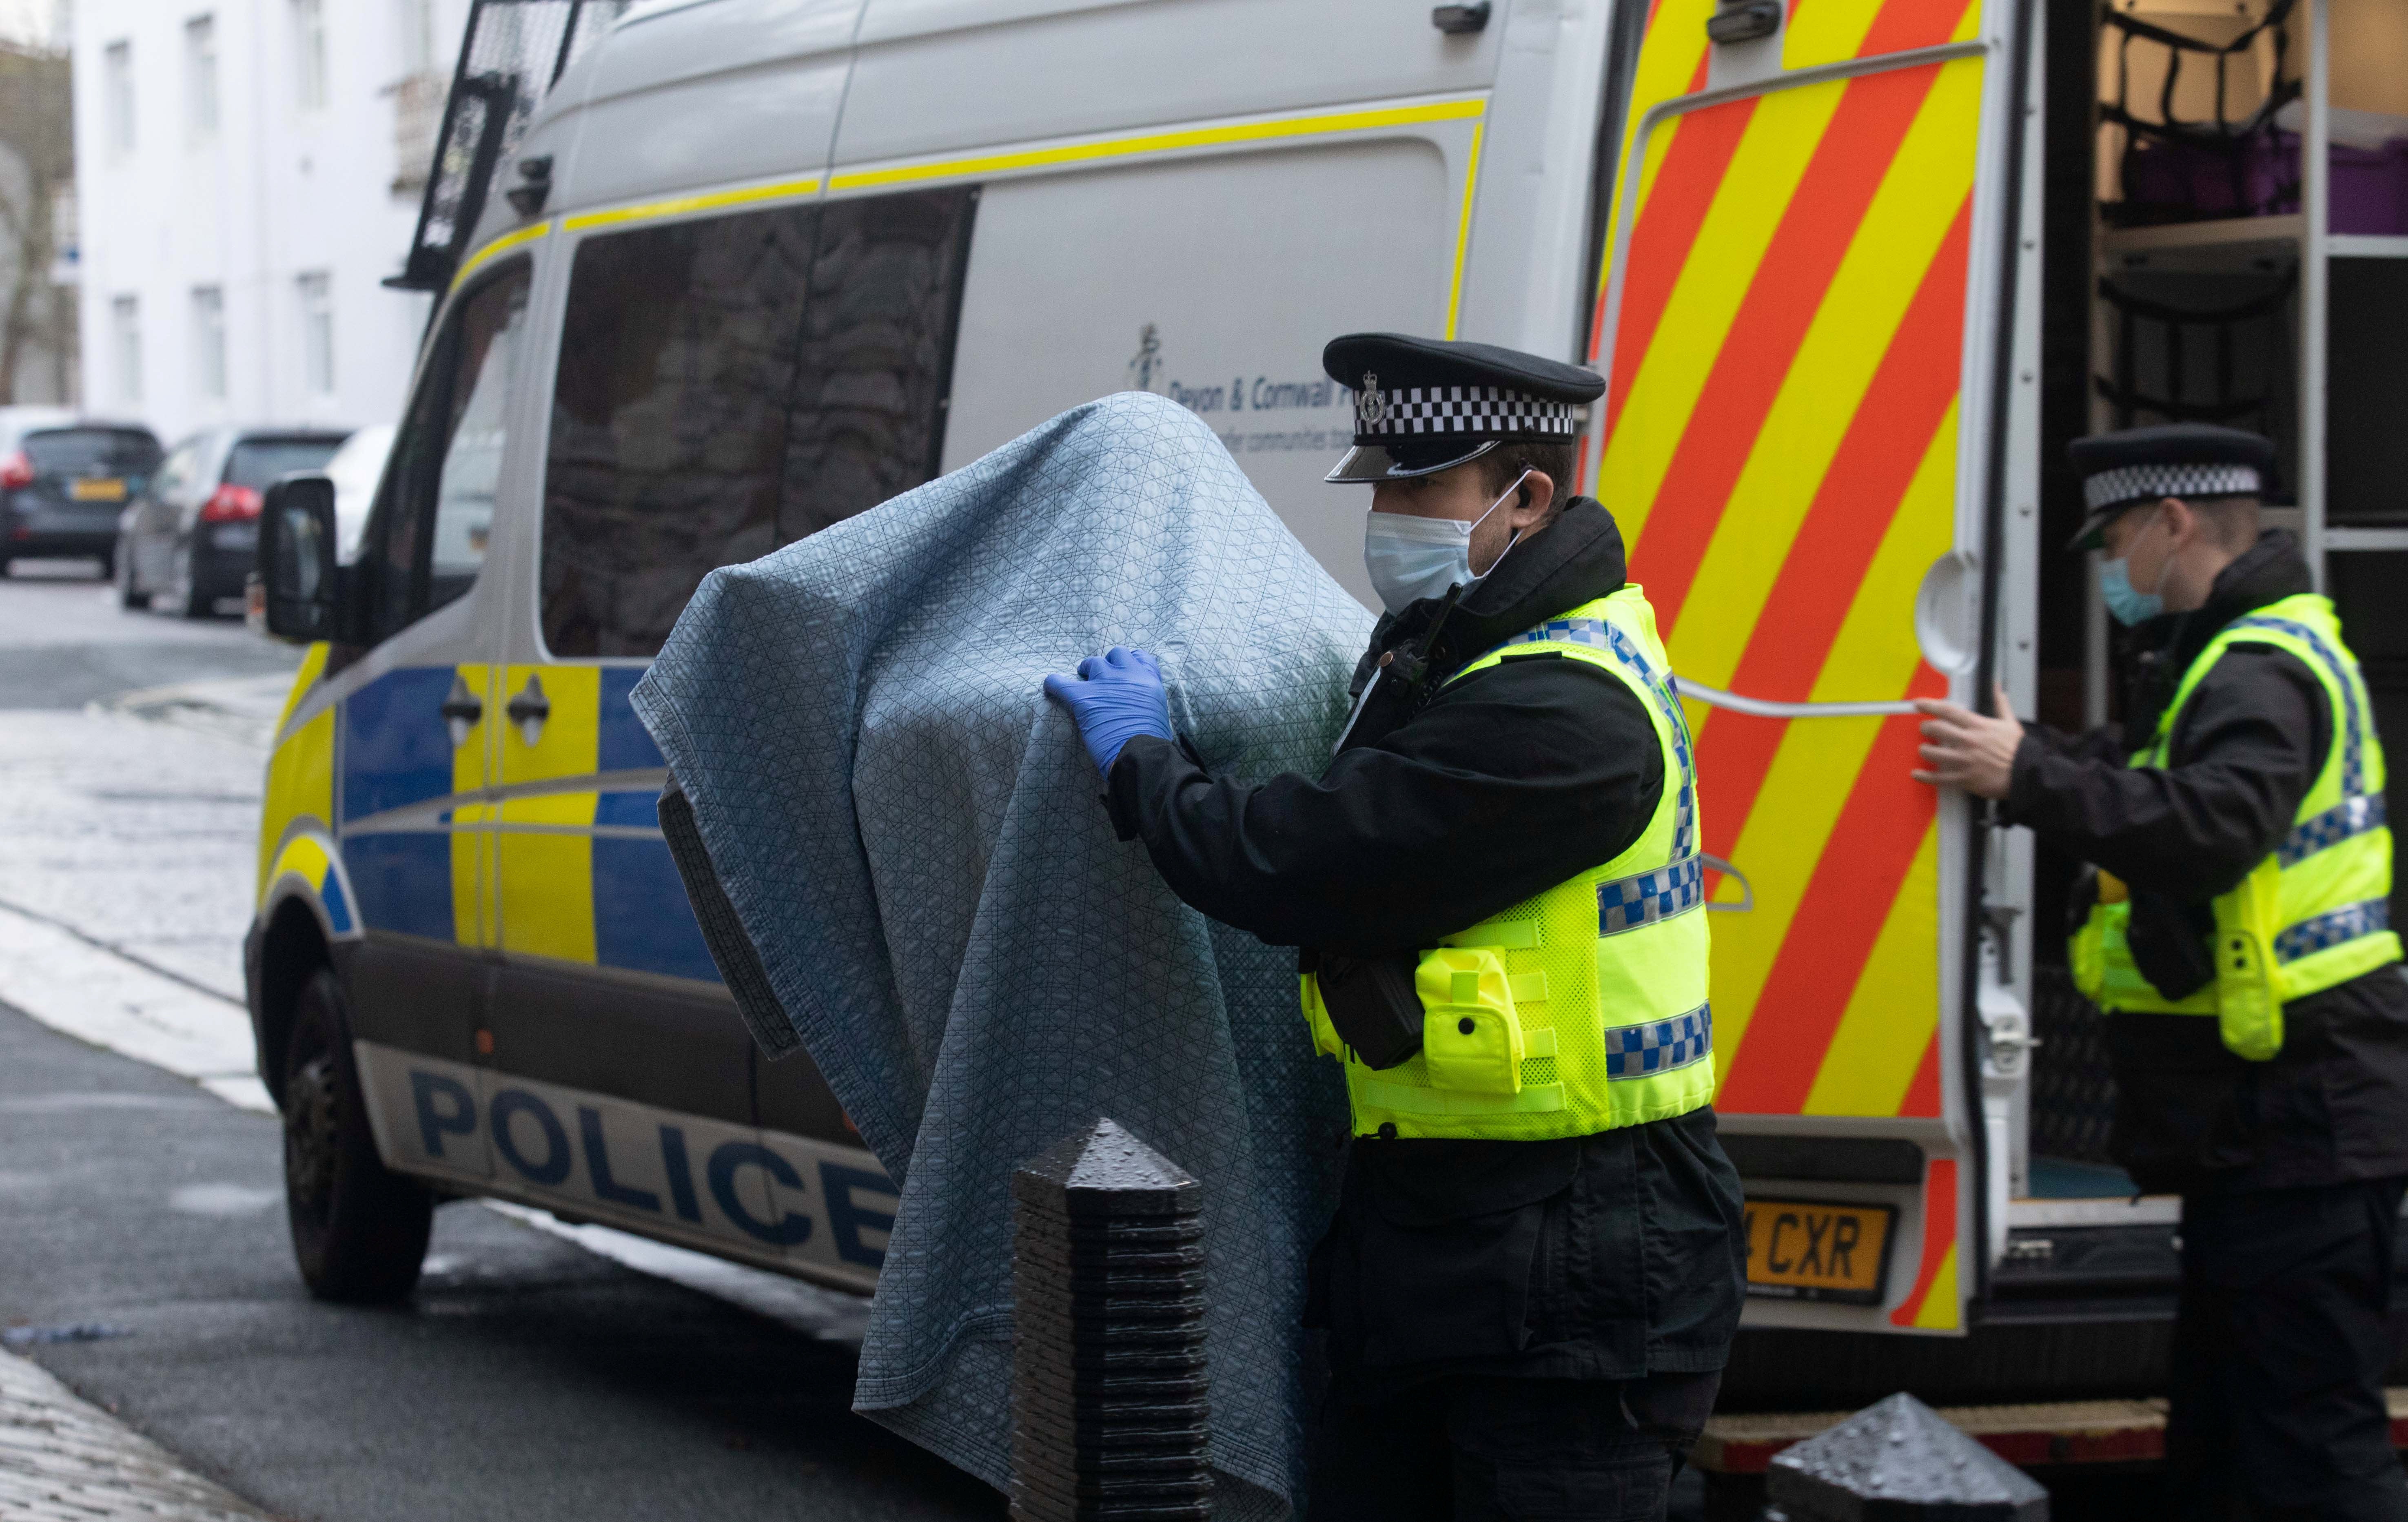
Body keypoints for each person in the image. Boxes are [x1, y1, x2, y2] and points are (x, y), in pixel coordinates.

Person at [1045, 333, 1745, 1522]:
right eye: (1381, 483)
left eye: (1423, 487)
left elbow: (1301, 857)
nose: (1389, 512)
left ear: (1527, 498)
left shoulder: (1564, 707)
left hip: (1577, 1266)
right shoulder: (1459, 652)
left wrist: (1144, 766)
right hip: (1450, 1245)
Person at [1912, 423, 2408, 1522]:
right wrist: (2034, 749)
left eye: (2114, 538)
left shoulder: (2262, 666)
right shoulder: (2239, 652)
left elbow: (2212, 820)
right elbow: (2155, 773)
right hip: (2274, 1132)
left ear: (2171, 523)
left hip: (2306, 1129)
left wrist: (2030, 774)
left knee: (2312, 1452)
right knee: (2230, 1444)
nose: (2109, 565)